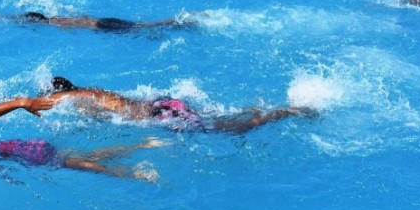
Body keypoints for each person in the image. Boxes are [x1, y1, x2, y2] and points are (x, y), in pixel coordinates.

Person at [0, 100, 164, 180]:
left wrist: (21, 102)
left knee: (73, 164)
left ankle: (131, 174)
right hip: (5, 158)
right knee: (77, 158)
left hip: (13, 151)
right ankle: (141, 145)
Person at [30, 77, 314, 134]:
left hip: (161, 115)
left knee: (234, 129)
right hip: (162, 104)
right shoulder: (91, 91)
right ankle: (266, 109)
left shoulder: (66, 100)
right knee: (221, 119)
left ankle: (289, 111)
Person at [15, 12, 181, 32]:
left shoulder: (56, 23)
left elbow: (70, 28)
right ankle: (172, 22)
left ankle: (174, 22)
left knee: (141, 28)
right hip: (101, 20)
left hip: (101, 26)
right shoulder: (57, 16)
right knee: (141, 26)